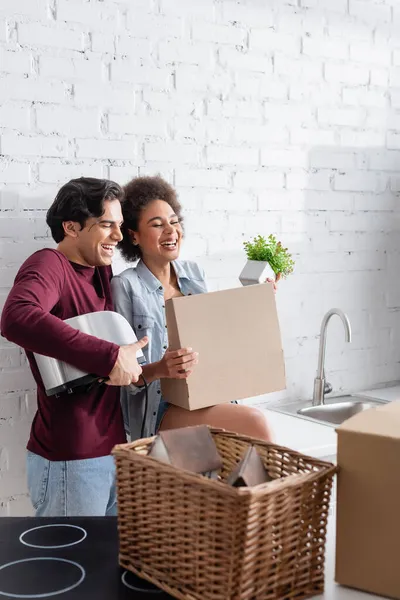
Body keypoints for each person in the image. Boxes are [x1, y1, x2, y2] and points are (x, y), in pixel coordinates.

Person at [0, 177, 147, 517]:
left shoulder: (102, 272)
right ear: (71, 226)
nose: (118, 236)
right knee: (67, 569)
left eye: (120, 225)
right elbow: (16, 317)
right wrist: (109, 356)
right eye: (107, 225)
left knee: (100, 566)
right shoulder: (49, 265)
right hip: (71, 458)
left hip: (111, 449)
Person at [111, 175, 275, 443]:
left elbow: (218, 340)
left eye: (174, 222)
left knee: (247, 450)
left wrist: (258, 299)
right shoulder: (126, 286)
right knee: (255, 423)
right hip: (161, 409)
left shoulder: (194, 274)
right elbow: (127, 379)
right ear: (134, 235)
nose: (170, 231)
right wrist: (163, 368)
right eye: (157, 224)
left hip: (210, 394)